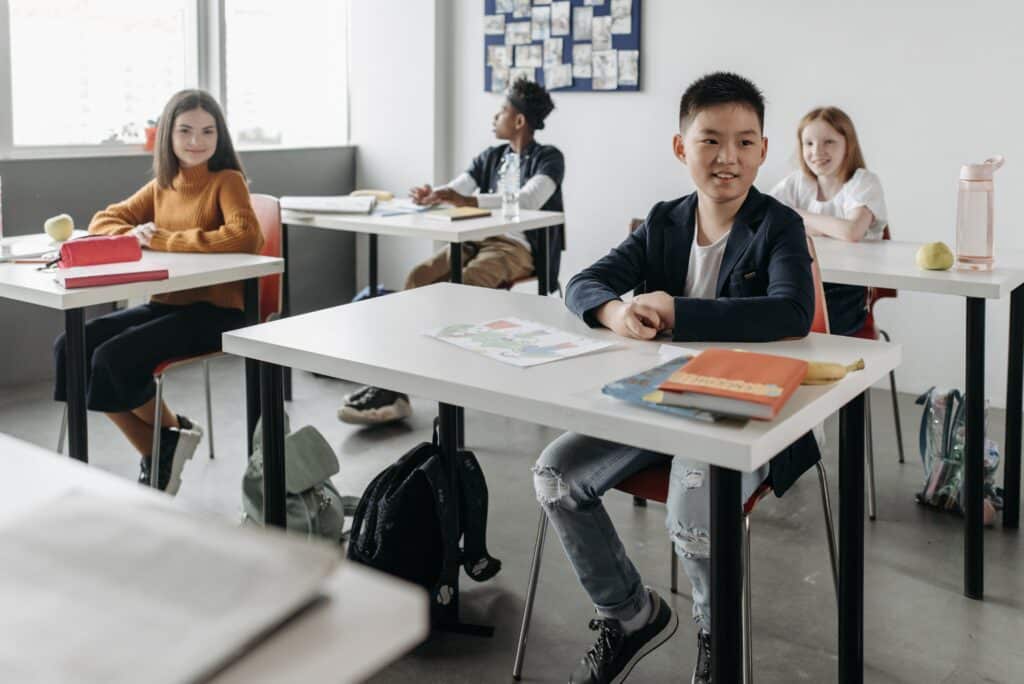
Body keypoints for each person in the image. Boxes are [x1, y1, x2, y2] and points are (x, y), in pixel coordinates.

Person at [533, 72, 819, 684]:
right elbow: (583, 282)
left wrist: (677, 311)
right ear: (680, 147)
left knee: (696, 499)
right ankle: (631, 614)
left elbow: (792, 312)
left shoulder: (779, 226)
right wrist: (614, 311)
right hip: (657, 402)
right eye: (710, 140)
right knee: (557, 475)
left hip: (743, 408)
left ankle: (718, 638)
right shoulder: (664, 221)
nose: (727, 157)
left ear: (764, 152)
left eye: (745, 142)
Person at [53, 89, 264, 494]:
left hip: (217, 312)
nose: (196, 141)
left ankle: (166, 442)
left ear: (221, 136)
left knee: (113, 358)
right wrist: (131, 233)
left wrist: (163, 239)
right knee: (71, 347)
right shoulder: (161, 186)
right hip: (167, 304)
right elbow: (103, 220)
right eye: (185, 131)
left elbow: (246, 236)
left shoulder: (227, 180)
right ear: (168, 135)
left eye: (207, 131)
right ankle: (166, 439)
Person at [339, 77, 565, 426]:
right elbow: (458, 188)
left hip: (518, 247)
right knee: (419, 277)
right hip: (475, 238)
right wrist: (434, 194)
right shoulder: (491, 156)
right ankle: (395, 384)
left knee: (466, 285)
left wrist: (466, 199)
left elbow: (529, 200)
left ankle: (437, 383)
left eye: (502, 110)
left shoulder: (549, 158)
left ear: (519, 121)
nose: (495, 117)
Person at [770, 106, 888, 335]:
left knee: (794, 326)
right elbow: (766, 216)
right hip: (799, 280)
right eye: (809, 143)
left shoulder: (863, 182)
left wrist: (795, 215)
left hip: (846, 292)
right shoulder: (797, 183)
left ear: (848, 144)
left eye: (829, 142)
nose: (817, 151)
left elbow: (852, 231)